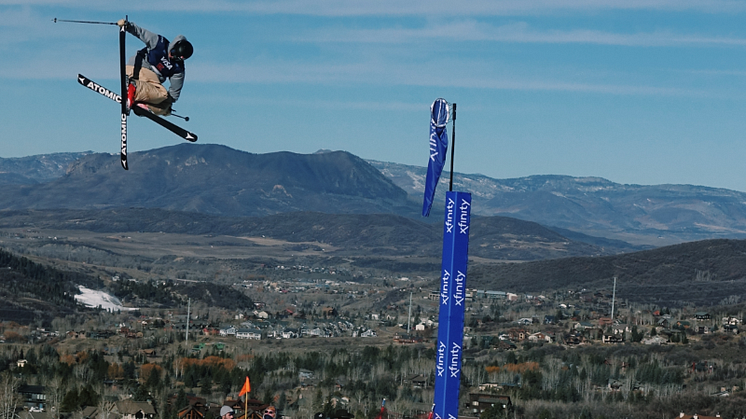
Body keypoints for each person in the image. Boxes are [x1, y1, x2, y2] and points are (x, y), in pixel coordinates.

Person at [116, 19, 193, 115]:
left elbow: (174, 94)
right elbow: (140, 33)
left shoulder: (178, 69)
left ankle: (142, 105)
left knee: (166, 104)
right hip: (138, 68)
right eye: (172, 53)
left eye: (176, 58)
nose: (171, 56)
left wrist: (165, 107)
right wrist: (128, 25)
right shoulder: (160, 43)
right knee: (163, 94)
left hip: (146, 83)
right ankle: (133, 88)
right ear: (173, 46)